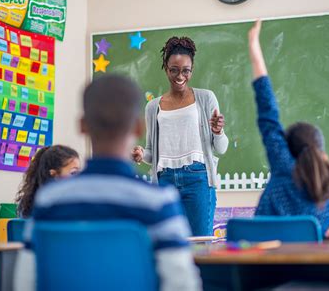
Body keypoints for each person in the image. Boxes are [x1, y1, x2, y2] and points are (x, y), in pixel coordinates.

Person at [15, 74, 201, 291]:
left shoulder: (49, 201)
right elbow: (182, 286)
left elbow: (24, 283)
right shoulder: (158, 202)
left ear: (82, 126)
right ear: (139, 128)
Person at [248, 20, 329, 238]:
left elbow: (267, 110)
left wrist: (253, 44)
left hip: (259, 270)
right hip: (309, 272)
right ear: (321, 153)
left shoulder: (282, 166)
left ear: (287, 149)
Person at [132, 36, 228, 236]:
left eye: (186, 70)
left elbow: (221, 148)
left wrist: (218, 132)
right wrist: (142, 154)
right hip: (164, 180)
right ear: (166, 68)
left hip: (198, 178)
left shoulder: (206, 98)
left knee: (201, 244)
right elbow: (152, 153)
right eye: (174, 70)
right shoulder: (153, 107)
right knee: (168, 243)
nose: (180, 76)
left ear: (192, 70)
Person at [15, 145, 80, 218]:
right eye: (73, 173)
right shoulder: (65, 203)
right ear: (54, 175)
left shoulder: (26, 202)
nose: (79, 177)